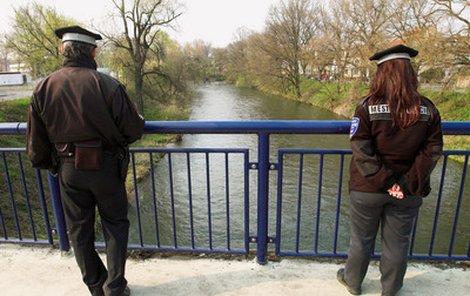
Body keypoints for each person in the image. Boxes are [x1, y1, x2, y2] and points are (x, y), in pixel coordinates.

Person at [26, 25, 145, 296]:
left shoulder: (43, 87)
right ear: (93, 52)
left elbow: (36, 143)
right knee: (115, 224)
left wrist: (52, 165)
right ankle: (114, 287)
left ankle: (95, 286)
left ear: (62, 50)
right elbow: (133, 130)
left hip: (68, 169)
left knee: (78, 231)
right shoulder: (108, 85)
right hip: (105, 168)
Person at [337, 44, 443, 296]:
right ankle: (391, 288)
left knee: (361, 240)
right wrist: (405, 183)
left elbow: (361, 150)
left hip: (368, 189)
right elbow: (433, 150)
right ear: (411, 74)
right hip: (408, 191)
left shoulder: (366, 107)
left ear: (381, 74)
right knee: (397, 243)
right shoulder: (428, 110)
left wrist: (387, 182)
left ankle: (352, 282)